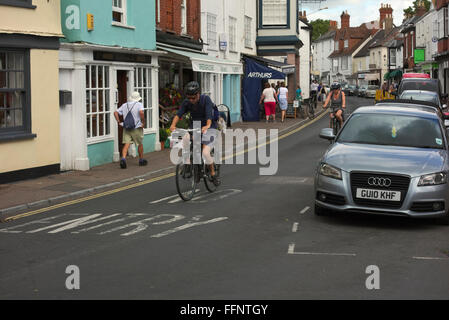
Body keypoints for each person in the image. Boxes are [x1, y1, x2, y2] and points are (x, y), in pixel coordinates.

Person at [169, 81, 220, 186]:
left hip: (209, 126)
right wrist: (173, 125)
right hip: (196, 125)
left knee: (205, 153)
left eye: (193, 98)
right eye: (189, 98)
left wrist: (207, 125)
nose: (191, 100)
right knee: (186, 138)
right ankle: (190, 164)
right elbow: (179, 114)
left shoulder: (206, 99)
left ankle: (213, 173)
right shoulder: (187, 102)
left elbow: (209, 115)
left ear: (198, 94)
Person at [114, 91, 147, 169]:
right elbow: (141, 113)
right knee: (139, 144)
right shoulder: (139, 104)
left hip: (127, 127)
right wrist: (143, 122)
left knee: (126, 144)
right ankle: (141, 160)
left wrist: (119, 121)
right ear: (138, 98)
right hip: (137, 127)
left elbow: (115, 112)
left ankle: (123, 159)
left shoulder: (124, 105)